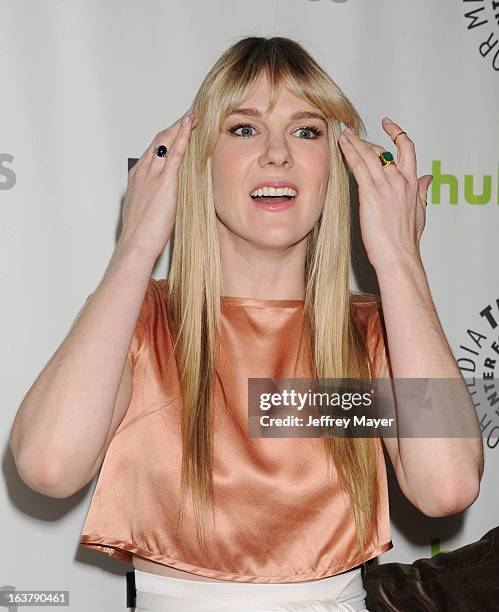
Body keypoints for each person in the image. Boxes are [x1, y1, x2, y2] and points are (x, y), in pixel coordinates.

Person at [9, 36, 483, 612]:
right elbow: (48, 466)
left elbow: (447, 487)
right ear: (198, 161)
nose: (278, 154)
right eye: (244, 128)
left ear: (335, 167)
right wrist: (136, 247)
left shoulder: (369, 333)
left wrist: (401, 260)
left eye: (306, 131)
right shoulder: (143, 319)